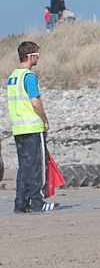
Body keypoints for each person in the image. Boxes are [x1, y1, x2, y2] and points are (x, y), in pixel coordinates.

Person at [7, 41, 57, 213]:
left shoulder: (12, 77)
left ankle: (20, 203)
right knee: (37, 167)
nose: (38, 58)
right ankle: (38, 202)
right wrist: (45, 119)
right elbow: (35, 103)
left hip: (18, 128)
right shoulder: (29, 77)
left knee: (24, 167)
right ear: (30, 56)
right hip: (32, 127)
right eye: (37, 55)